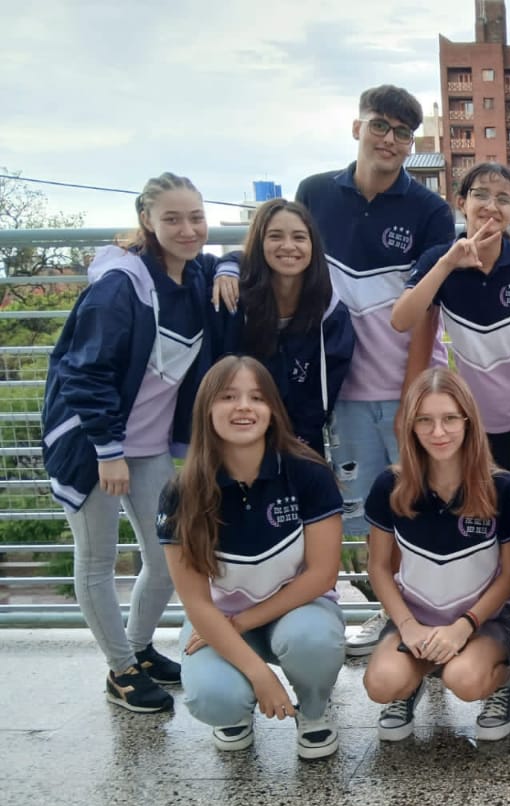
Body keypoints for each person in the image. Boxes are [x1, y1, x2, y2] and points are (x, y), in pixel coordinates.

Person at [216, 84, 458, 656]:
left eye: (402, 132)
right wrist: (227, 261)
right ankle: (389, 616)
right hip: (341, 390)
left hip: (410, 389)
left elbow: (428, 306)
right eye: (380, 126)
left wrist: (412, 396)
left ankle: (426, 618)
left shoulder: (429, 211)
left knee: (421, 505)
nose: (390, 140)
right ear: (357, 128)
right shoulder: (315, 193)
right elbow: (277, 244)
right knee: (370, 513)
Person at [41, 173, 228, 713]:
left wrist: (231, 267)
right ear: (147, 220)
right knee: (97, 558)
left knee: (168, 556)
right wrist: (108, 451)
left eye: (196, 217)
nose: (188, 229)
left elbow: (233, 260)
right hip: (90, 444)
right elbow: (84, 372)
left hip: (149, 447)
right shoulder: (119, 287)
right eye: (172, 219)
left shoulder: (197, 275)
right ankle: (120, 669)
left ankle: (140, 649)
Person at [158, 356, 346, 758]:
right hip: (218, 618)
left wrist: (242, 621)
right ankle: (235, 712)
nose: (244, 407)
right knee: (213, 697)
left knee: (313, 641)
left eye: (257, 398)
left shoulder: (308, 474)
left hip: (295, 610)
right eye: (228, 397)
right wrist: (261, 676)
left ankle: (314, 710)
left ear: (272, 410)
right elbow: (196, 603)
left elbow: (322, 575)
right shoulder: (181, 492)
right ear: (206, 409)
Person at [361, 368, 510, 742]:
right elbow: (379, 567)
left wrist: (464, 625)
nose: (438, 432)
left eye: (450, 418)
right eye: (425, 420)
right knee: (382, 684)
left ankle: (501, 681)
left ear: (468, 421)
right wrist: (407, 625)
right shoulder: (390, 485)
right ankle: (409, 683)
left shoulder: (502, 488)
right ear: (411, 426)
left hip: (483, 620)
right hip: (415, 617)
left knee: (464, 680)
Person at [390, 162, 510, 484]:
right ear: (461, 203)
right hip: (481, 413)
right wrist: (448, 263)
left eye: (503, 199)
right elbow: (402, 320)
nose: (491, 206)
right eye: (480, 195)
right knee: (490, 497)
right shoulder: (439, 260)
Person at [223, 198, 354, 456]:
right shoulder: (236, 303)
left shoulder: (331, 313)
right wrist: (226, 265)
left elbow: (322, 396)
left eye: (299, 237)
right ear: (259, 243)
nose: (288, 246)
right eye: (275, 236)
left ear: (313, 245)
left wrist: (296, 444)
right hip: (238, 433)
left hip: (302, 441)